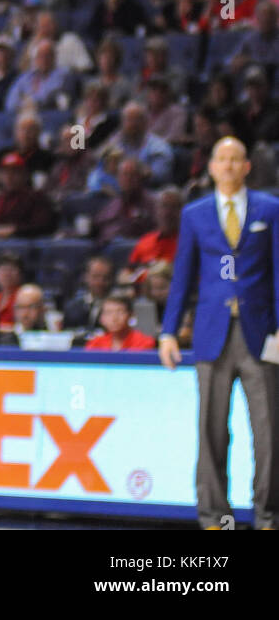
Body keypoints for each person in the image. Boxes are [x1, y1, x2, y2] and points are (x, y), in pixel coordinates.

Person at [159, 137, 279, 530]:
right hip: (211, 332)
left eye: (235, 159)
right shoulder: (194, 214)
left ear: (247, 166)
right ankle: (216, 519)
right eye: (221, 159)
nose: (228, 165)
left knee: (269, 431)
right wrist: (168, 331)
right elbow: (182, 277)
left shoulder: (270, 209)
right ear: (210, 167)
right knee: (211, 429)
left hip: (261, 334)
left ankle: (268, 516)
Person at [63, 255, 116, 332]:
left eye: (106, 278)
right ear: (86, 277)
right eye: (95, 277)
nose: (100, 282)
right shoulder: (72, 307)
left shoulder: (118, 309)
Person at [84, 296, 155, 351]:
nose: (114, 318)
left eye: (120, 312)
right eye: (108, 313)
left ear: (130, 315)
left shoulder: (144, 343)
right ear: (101, 318)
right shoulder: (95, 344)